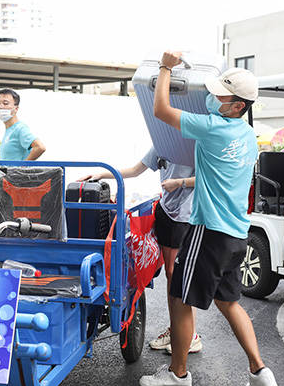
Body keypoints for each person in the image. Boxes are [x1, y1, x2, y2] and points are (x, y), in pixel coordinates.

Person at [139, 52, 278, 386]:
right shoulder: (247, 138)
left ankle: (178, 375)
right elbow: (215, 176)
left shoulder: (215, 128)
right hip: (236, 234)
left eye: (221, 96)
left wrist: (165, 68)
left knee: (179, 297)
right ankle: (261, 373)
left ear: (238, 106)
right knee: (229, 302)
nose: (213, 99)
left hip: (209, 232)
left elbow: (160, 111)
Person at [80, 148, 203, 354]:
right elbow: (135, 170)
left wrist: (179, 183)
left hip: (186, 216)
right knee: (172, 277)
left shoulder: (191, 142)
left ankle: (190, 337)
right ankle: (177, 331)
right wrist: (102, 173)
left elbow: (208, 178)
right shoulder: (161, 143)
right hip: (167, 213)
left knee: (180, 277)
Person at [0, 88, 46, 161]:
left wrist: (22, 167)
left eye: (5, 103)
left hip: (14, 172)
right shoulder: (9, 130)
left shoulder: (20, 128)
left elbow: (40, 147)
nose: (1, 106)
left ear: (16, 108)